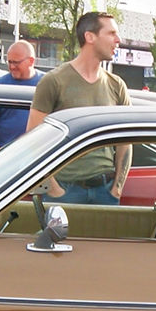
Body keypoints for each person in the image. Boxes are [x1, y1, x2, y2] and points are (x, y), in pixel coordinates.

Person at [27, 11, 131, 203]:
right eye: (111, 33)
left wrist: (117, 188)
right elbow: (33, 140)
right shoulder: (54, 81)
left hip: (105, 191)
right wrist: (54, 188)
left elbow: (126, 142)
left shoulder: (117, 85)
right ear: (89, 36)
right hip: (65, 190)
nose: (118, 40)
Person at [0, 40, 43, 152]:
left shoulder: (47, 84)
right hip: (8, 155)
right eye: (9, 62)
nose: (12, 67)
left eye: (16, 62)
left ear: (31, 61)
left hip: (39, 154)